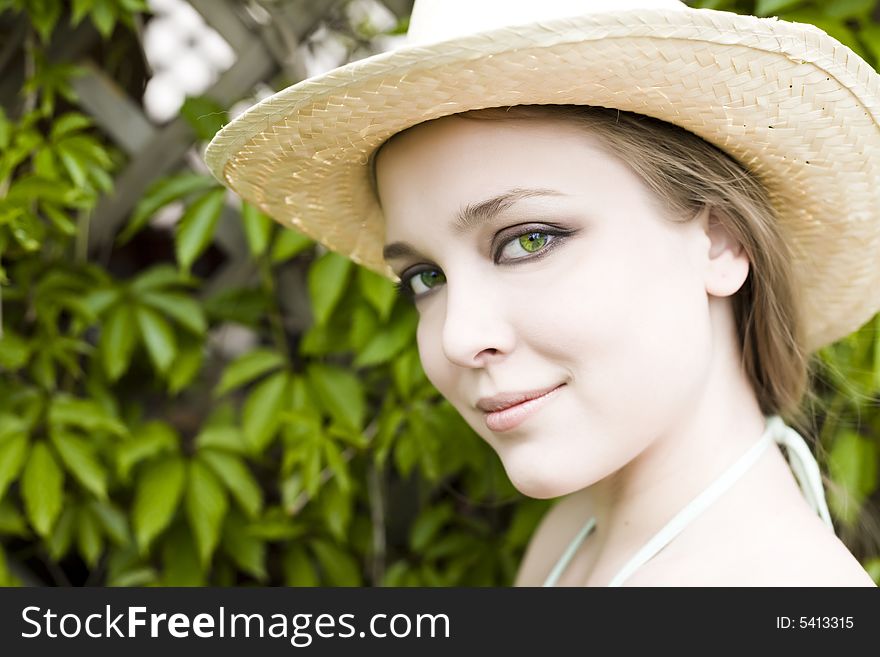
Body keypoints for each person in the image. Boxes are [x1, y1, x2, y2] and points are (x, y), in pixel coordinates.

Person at [205, 0, 880, 586]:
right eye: (426, 277)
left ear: (721, 240)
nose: (458, 336)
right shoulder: (576, 534)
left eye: (528, 240)